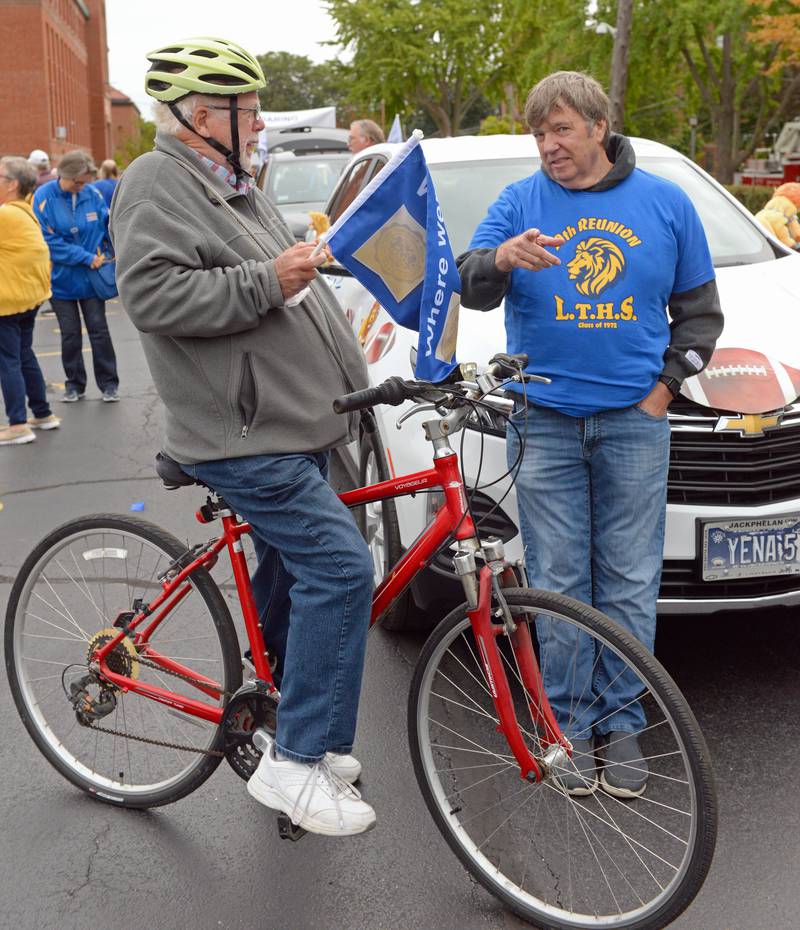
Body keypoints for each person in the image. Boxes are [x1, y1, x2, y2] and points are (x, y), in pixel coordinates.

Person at [110, 37, 376, 836]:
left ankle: (302, 734)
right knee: (340, 567)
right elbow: (153, 295)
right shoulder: (157, 180)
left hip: (292, 423)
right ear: (203, 115)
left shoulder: (233, 182)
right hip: (240, 434)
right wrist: (271, 279)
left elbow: (272, 278)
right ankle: (294, 766)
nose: (259, 120)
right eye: (248, 108)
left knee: (296, 584)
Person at [458, 71, 723, 798]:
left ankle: (624, 724)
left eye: (563, 130)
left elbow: (701, 315)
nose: (549, 145)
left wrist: (663, 393)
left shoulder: (665, 202)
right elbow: (468, 281)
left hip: (632, 424)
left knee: (632, 582)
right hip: (542, 422)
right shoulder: (519, 203)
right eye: (540, 133)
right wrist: (504, 258)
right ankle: (567, 728)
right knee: (559, 581)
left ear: (599, 127)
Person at [33, 150, 121, 403]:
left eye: (84, 182)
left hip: (93, 280)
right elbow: (48, 241)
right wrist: (85, 257)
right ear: (64, 175)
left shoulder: (91, 194)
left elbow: (107, 226)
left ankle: (109, 384)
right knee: (70, 334)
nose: (81, 187)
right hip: (62, 281)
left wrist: (111, 252)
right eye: (77, 182)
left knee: (99, 331)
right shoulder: (43, 197)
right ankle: (74, 385)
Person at [0, 157, 61, 445]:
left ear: (11, 184)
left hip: (8, 301)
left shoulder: (6, 215)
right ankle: (42, 413)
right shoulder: (25, 211)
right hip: (29, 298)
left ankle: (18, 424)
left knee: (8, 361)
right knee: (24, 355)